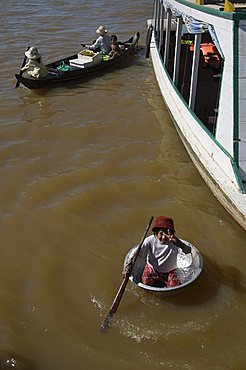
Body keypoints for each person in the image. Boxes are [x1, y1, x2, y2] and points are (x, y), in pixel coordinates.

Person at [140, 216, 191, 287]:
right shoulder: (149, 240)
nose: (164, 237)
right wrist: (128, 267)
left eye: (167, 234)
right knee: (145, 282)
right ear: (156, 232)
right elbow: (138, 253)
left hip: (169, 272)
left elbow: (188, 251)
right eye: (161, 234)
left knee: (175, 286)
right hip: (152, 269)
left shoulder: (175, 242)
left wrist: (179, 244)